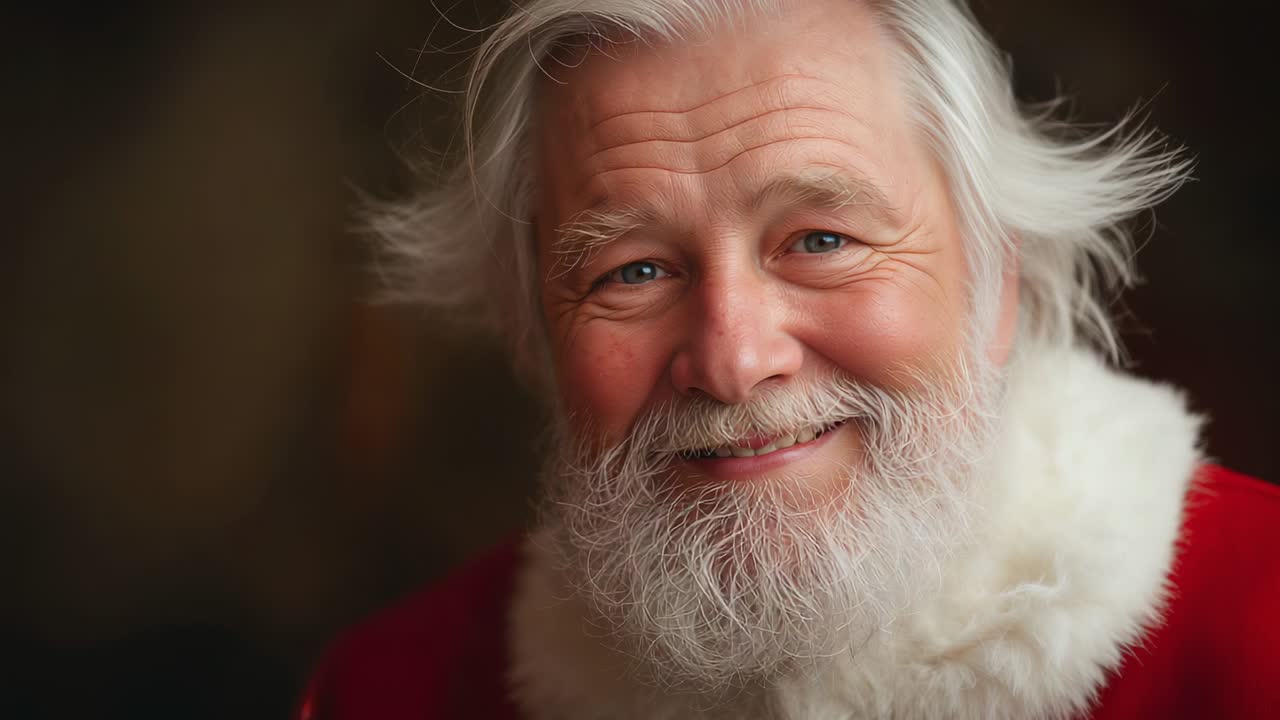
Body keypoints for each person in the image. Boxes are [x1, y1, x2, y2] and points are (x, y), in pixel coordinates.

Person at [298, 0, 1279, 717]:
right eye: (631, 270)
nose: (732, 360)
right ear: (538, 335)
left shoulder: (1256, 631)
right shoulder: (389, 693)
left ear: (995, 280)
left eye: (819, 241)